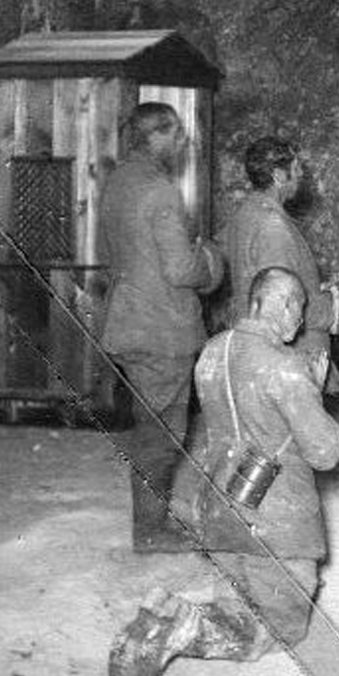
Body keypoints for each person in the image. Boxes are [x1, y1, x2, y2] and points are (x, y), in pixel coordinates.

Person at [108, 267, 339, 676]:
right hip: (277, 529)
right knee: (283, 628)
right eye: (300, 308)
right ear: (284, 304)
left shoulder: (212, 352)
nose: (301, 319)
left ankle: (176, 612)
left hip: (220, 518)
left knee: (238, 605)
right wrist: (313, 390)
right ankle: (180, 626)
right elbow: (326, 452)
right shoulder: (285, 367)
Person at [97, 103, 225, 553]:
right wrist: (212, 262)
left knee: (151, 425)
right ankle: (151, 531)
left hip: (128, 321)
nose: (182, 143)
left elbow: (113, 254)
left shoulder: (118, 182)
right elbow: (180, 269)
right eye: (176, 134)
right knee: (162, 434)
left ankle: (151, 523)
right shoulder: (161, 191)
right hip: (162, 329)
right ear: (155, 136)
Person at [219, 136, 339, 391]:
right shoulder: (273, 227)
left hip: (256, 343)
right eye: (296, 169)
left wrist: (310, 285)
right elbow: (278, 303)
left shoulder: (246, 212)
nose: (301, 175)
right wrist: (333, 307)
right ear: (278, 175)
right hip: (286, 356)